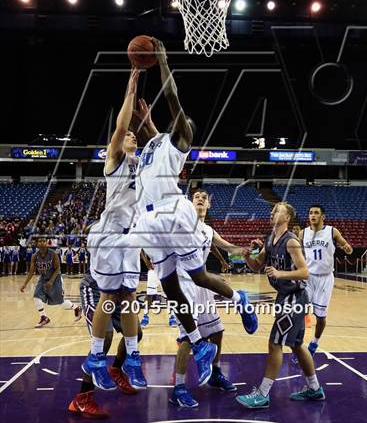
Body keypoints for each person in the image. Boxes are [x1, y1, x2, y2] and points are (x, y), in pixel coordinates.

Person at [131, 39, 258, 387]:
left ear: (184, 132)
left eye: (179, 122)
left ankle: (239, 297)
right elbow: (152, 128)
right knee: (171, 288)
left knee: (199, 277)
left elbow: (173, 101)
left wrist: (162, 63)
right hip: (150, 220)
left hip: (173, 212)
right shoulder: (156, 142)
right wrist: (146, 119)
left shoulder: (179, 139)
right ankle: (201, 347)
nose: (175, 122)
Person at [82, 68, 147, 392]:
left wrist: (147, 121)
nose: (131, 135)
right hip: (109, 234)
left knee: (130, 296)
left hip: (130, 236)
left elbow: (168, 151)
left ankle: (132, 358)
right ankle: (96, 357)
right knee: (110, 296)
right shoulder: (115, 160)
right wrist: (131, 87)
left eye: (136, 136)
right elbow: (121, 125)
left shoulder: (143, 165)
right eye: (128, 136)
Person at [236, 202, 325, 408]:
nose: (272, 212)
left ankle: (263, 394)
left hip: (295, 298)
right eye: (272, 210)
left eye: (277, 210)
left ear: (287, 218)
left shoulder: (291, 241)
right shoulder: (269, 239)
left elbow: (305, 272)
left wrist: (280, 273)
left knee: (275, 343)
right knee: (295, 345)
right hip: (285, 297)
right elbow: (258, 266)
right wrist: (248, 257)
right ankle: (314, 388)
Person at [170, 189, 244, 407]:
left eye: (204, 197)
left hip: (202, 285)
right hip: (183, 285)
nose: (200, 199)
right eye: (196, 197)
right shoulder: (182, 224)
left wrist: (247, 251)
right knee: (186, 337)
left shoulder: (208, 230)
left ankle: (216, 373)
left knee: (217, 331)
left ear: (209, 205)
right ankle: (179, 388)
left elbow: (228, 247)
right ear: (190, 204)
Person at [68, 266, 143, 419]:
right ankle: (82, 398)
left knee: (136, 333)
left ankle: (115, 369)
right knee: (104, 340)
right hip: (96, 289)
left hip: (121, 290)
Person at [299, 204, 353, 356]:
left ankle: (315, 342)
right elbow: (295, 251)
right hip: (308, 277)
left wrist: (347, 248)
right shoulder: (303, 233)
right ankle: (299, 344)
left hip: (325, 278)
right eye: (310, 213)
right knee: (300, 310)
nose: (313, 215)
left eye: (316, 213)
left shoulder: (331, 231)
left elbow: (346, 246)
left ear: (323, 217)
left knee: (320, 317)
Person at [19, 235, 82, 328]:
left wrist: (51, 282)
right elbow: (32, 271)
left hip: (55, 278)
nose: (42, 243)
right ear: (37, 243)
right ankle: (44, 317)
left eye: (44, 241)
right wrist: (24, 284)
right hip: (43, 278)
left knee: (60, 302)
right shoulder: (34, 256)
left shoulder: (53, 254)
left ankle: (76, 308)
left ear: (47, 243)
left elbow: (57, 269)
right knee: (36, 296)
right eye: (40, 241)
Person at [140, 250, 177, 329]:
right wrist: (146, 261)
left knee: (169, 295)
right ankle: (145, 316)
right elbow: (141, 248)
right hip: (154, 269)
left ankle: (172, 316)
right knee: (150, 294)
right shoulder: (150, 238)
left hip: (167, 269)